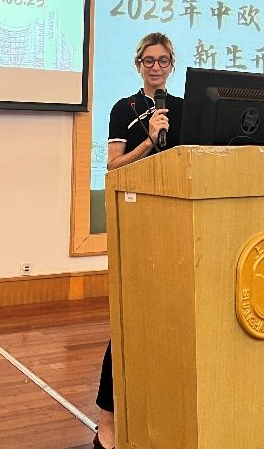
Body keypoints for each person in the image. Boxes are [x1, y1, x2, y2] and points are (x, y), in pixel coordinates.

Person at [94, 32, 182, 449]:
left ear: (172, 65)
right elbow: (114, 167)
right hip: (137, 221)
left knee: (172, 322)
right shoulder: (123, 109)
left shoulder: (185, 108)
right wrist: (149, 139)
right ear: (138, 65)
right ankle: (106, 421)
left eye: (163, 60)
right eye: (148, 60)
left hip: (178, 224)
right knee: (130, 323)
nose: (156, 67)